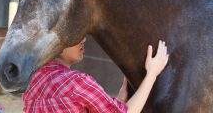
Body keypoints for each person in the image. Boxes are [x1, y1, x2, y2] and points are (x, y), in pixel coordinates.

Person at [22, 38, 169, 113]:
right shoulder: (77, 83)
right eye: (76, 35)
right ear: (57, 45)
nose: (83, 39)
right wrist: (152, 73)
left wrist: (117, 100)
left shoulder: (31, 83)